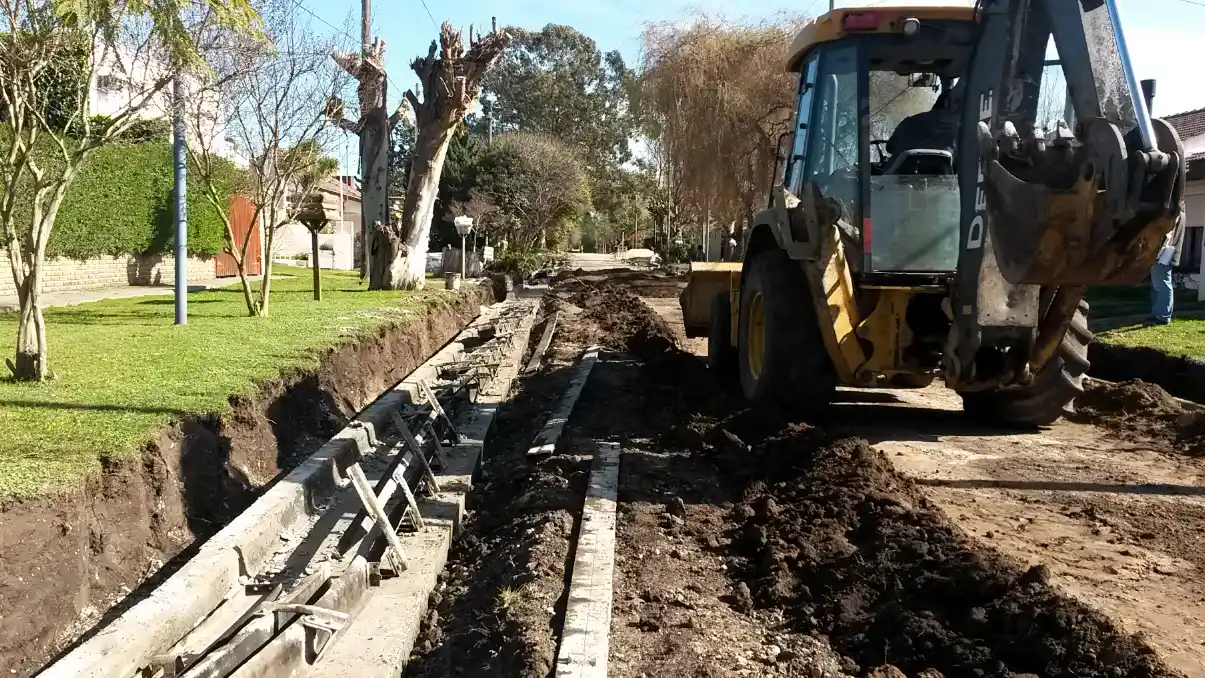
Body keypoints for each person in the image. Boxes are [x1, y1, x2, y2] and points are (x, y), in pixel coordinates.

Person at [885, 82, 962, 158]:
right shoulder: (960, 134)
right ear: (947, 103)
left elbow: (889, 147)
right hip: (941, 170)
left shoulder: (909, 122)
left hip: (899, 170)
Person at [1149, 204, 1186, 325]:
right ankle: (1158, 314)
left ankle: (1163, 316)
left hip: (1166, 252)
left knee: (1163, 282)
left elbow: (1169, 235)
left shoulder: (1176, 212)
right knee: (1158, 283)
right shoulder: (1179, 212)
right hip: (1166, 251)